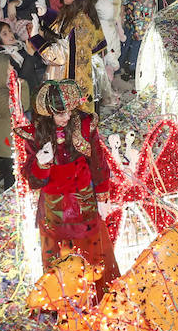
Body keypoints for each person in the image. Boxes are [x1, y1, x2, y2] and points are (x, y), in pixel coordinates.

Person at [17, 80, 113, 278]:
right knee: (59, 264)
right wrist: (42, 164)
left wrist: (103, 192)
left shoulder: (84, 125)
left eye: (70, 111)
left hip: (83, 201)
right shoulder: (35, 135)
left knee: (92, 260)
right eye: (61, 113)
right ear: (49, 113)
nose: (68, 117)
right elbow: (33, 180)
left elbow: (97, 159)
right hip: (54, 208)